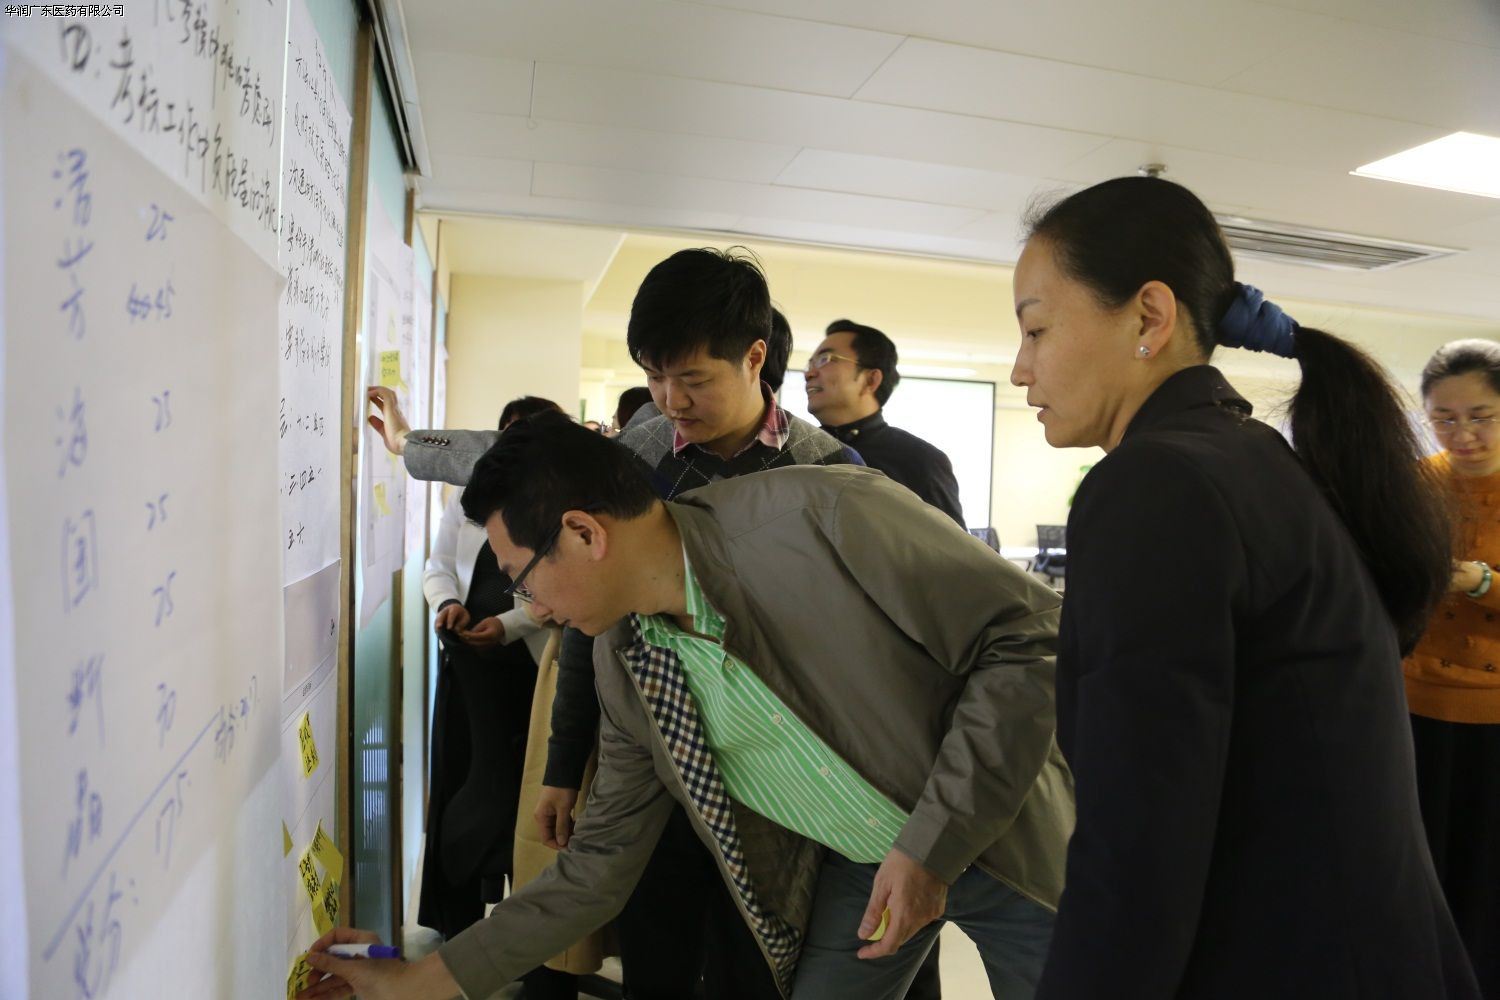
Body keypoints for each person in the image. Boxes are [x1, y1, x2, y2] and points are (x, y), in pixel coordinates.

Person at [300, 414, 1073, 1000]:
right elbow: (597, 869)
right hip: (861, 862)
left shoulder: (823, 516)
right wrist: (427, 980)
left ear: (583, 533)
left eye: (521, 579)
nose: (526, 605)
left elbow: (1031, 637)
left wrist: (930, 849)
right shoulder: (628, 661)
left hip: (1003, 834)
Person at [1009, 175, 1478, 999]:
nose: (1021, 370)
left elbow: (1140, 841)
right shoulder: (1251, 457)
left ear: (1149, 318)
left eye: (1037, 329)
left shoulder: (1156, 483)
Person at [364, 248, 861, 999]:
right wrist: (565, 768)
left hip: (781, 789)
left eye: (691, 379)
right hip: (653, 767)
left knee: (756, 972)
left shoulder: (829, 475)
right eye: (654, 376)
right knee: (654, 963)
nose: (670, 400)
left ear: (755, 357)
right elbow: (588, 622)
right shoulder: (645, 451)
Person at [417, 397, 561, 944]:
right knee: (460, 776)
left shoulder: (557, 499)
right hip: (467, 658)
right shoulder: (470, 493)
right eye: (505, 437)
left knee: (517, 791)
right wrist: (446, 603)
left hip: (529, 665)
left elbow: (556, 592)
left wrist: (508, 625)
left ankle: (528, 934)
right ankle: (456, 926)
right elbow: (438, 564)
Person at [1405, 338, 1500, 997]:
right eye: (1444, 418)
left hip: (1493, 715)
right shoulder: (1418, 483)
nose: (1462, 434)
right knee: (1420, 866)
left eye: (1480, 416)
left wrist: (1482, 582)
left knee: (1485, 875)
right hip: (1414, 704)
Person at [805, 318, 964, 527]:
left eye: (825, 359)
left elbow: (949, 545)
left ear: (871, 380)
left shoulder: (920, 461)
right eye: (810, 364)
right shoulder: (794, 449)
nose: (809, 374)